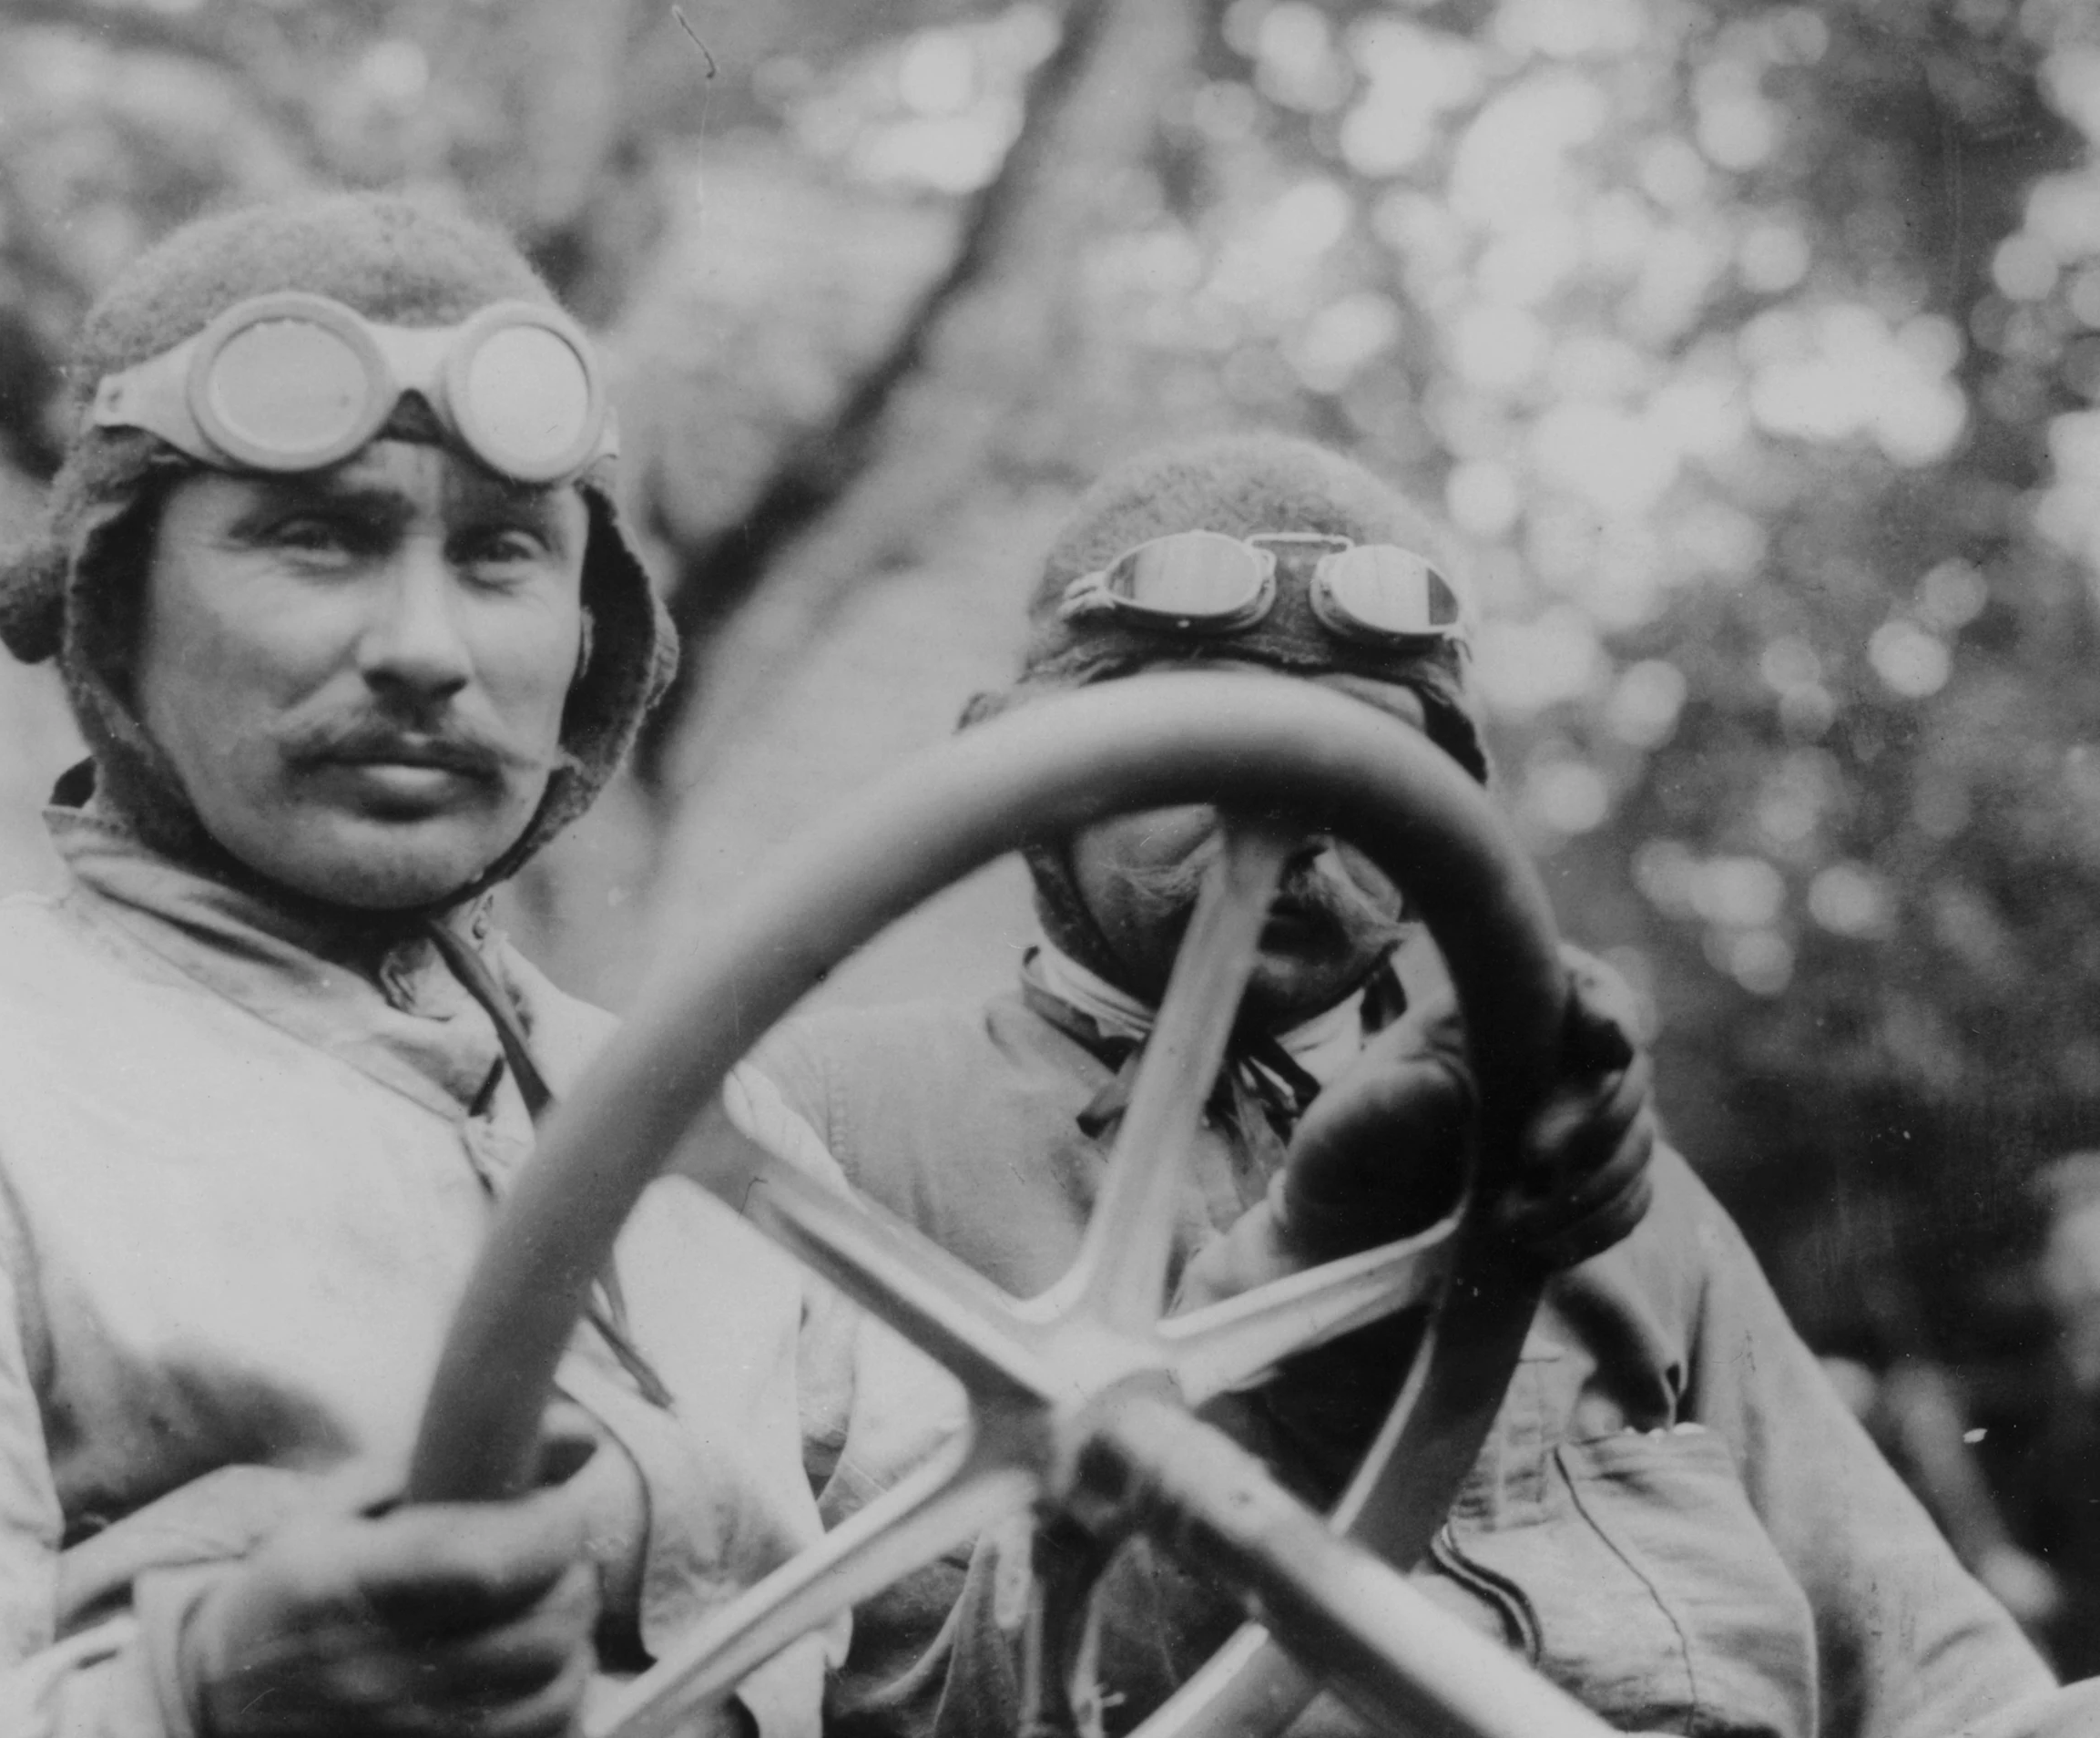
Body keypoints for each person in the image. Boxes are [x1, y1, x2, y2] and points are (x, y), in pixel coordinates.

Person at [0, 202, 1657, 1737]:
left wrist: (1338, 1264)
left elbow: (1007, 1702)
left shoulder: (718, 1156)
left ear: (592, 641)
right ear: (111, 612)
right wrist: (203, 1693)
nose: (426, 646)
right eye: (319, 545)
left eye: (507, 558)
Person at [753, 434, 2056, 1738]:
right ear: (1022, 782)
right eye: (1204, 740)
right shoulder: (822, 1136)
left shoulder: (1615, 1192)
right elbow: (912, 1702)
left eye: (1365, 769)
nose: (1297, 819)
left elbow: (1940, 1676)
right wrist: (1328, 1252)